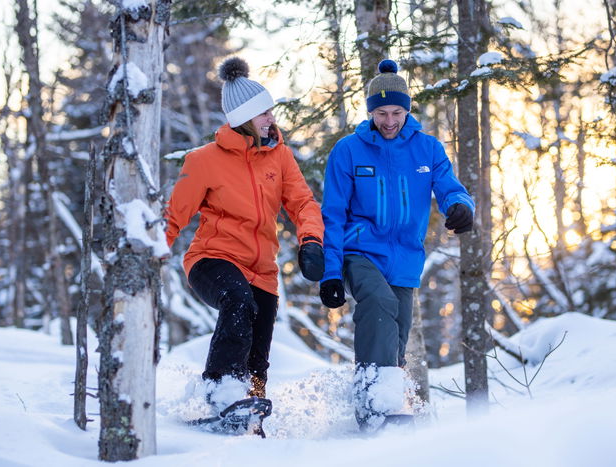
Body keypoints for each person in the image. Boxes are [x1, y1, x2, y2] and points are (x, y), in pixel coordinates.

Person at [319, 59, 475, 431]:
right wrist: (330, 271)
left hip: (405, 259)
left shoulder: (428, 149)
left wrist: (461, 207)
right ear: (370, 112)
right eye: (381, 113)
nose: (389, 121)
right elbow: (333, 213)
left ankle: (385, 412)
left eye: (397, 112)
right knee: (378, 302)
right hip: (360, 251)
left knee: (398, 335)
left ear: (408, 110)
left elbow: (450, 187)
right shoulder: (349, 150)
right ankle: (374, 408)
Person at [166, 57, 325, 411]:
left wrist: (311, 240)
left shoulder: (280, 157)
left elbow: (302, 203)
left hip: (263, 271)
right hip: (212, 259)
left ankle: (249, 414)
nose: (272, 118)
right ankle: (219, 393)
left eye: (270, 111)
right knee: (238, 303)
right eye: (263, 113)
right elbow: (173, 216)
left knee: (257, 356)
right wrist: (148, 256)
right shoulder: (203, 160)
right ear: (242, 120)